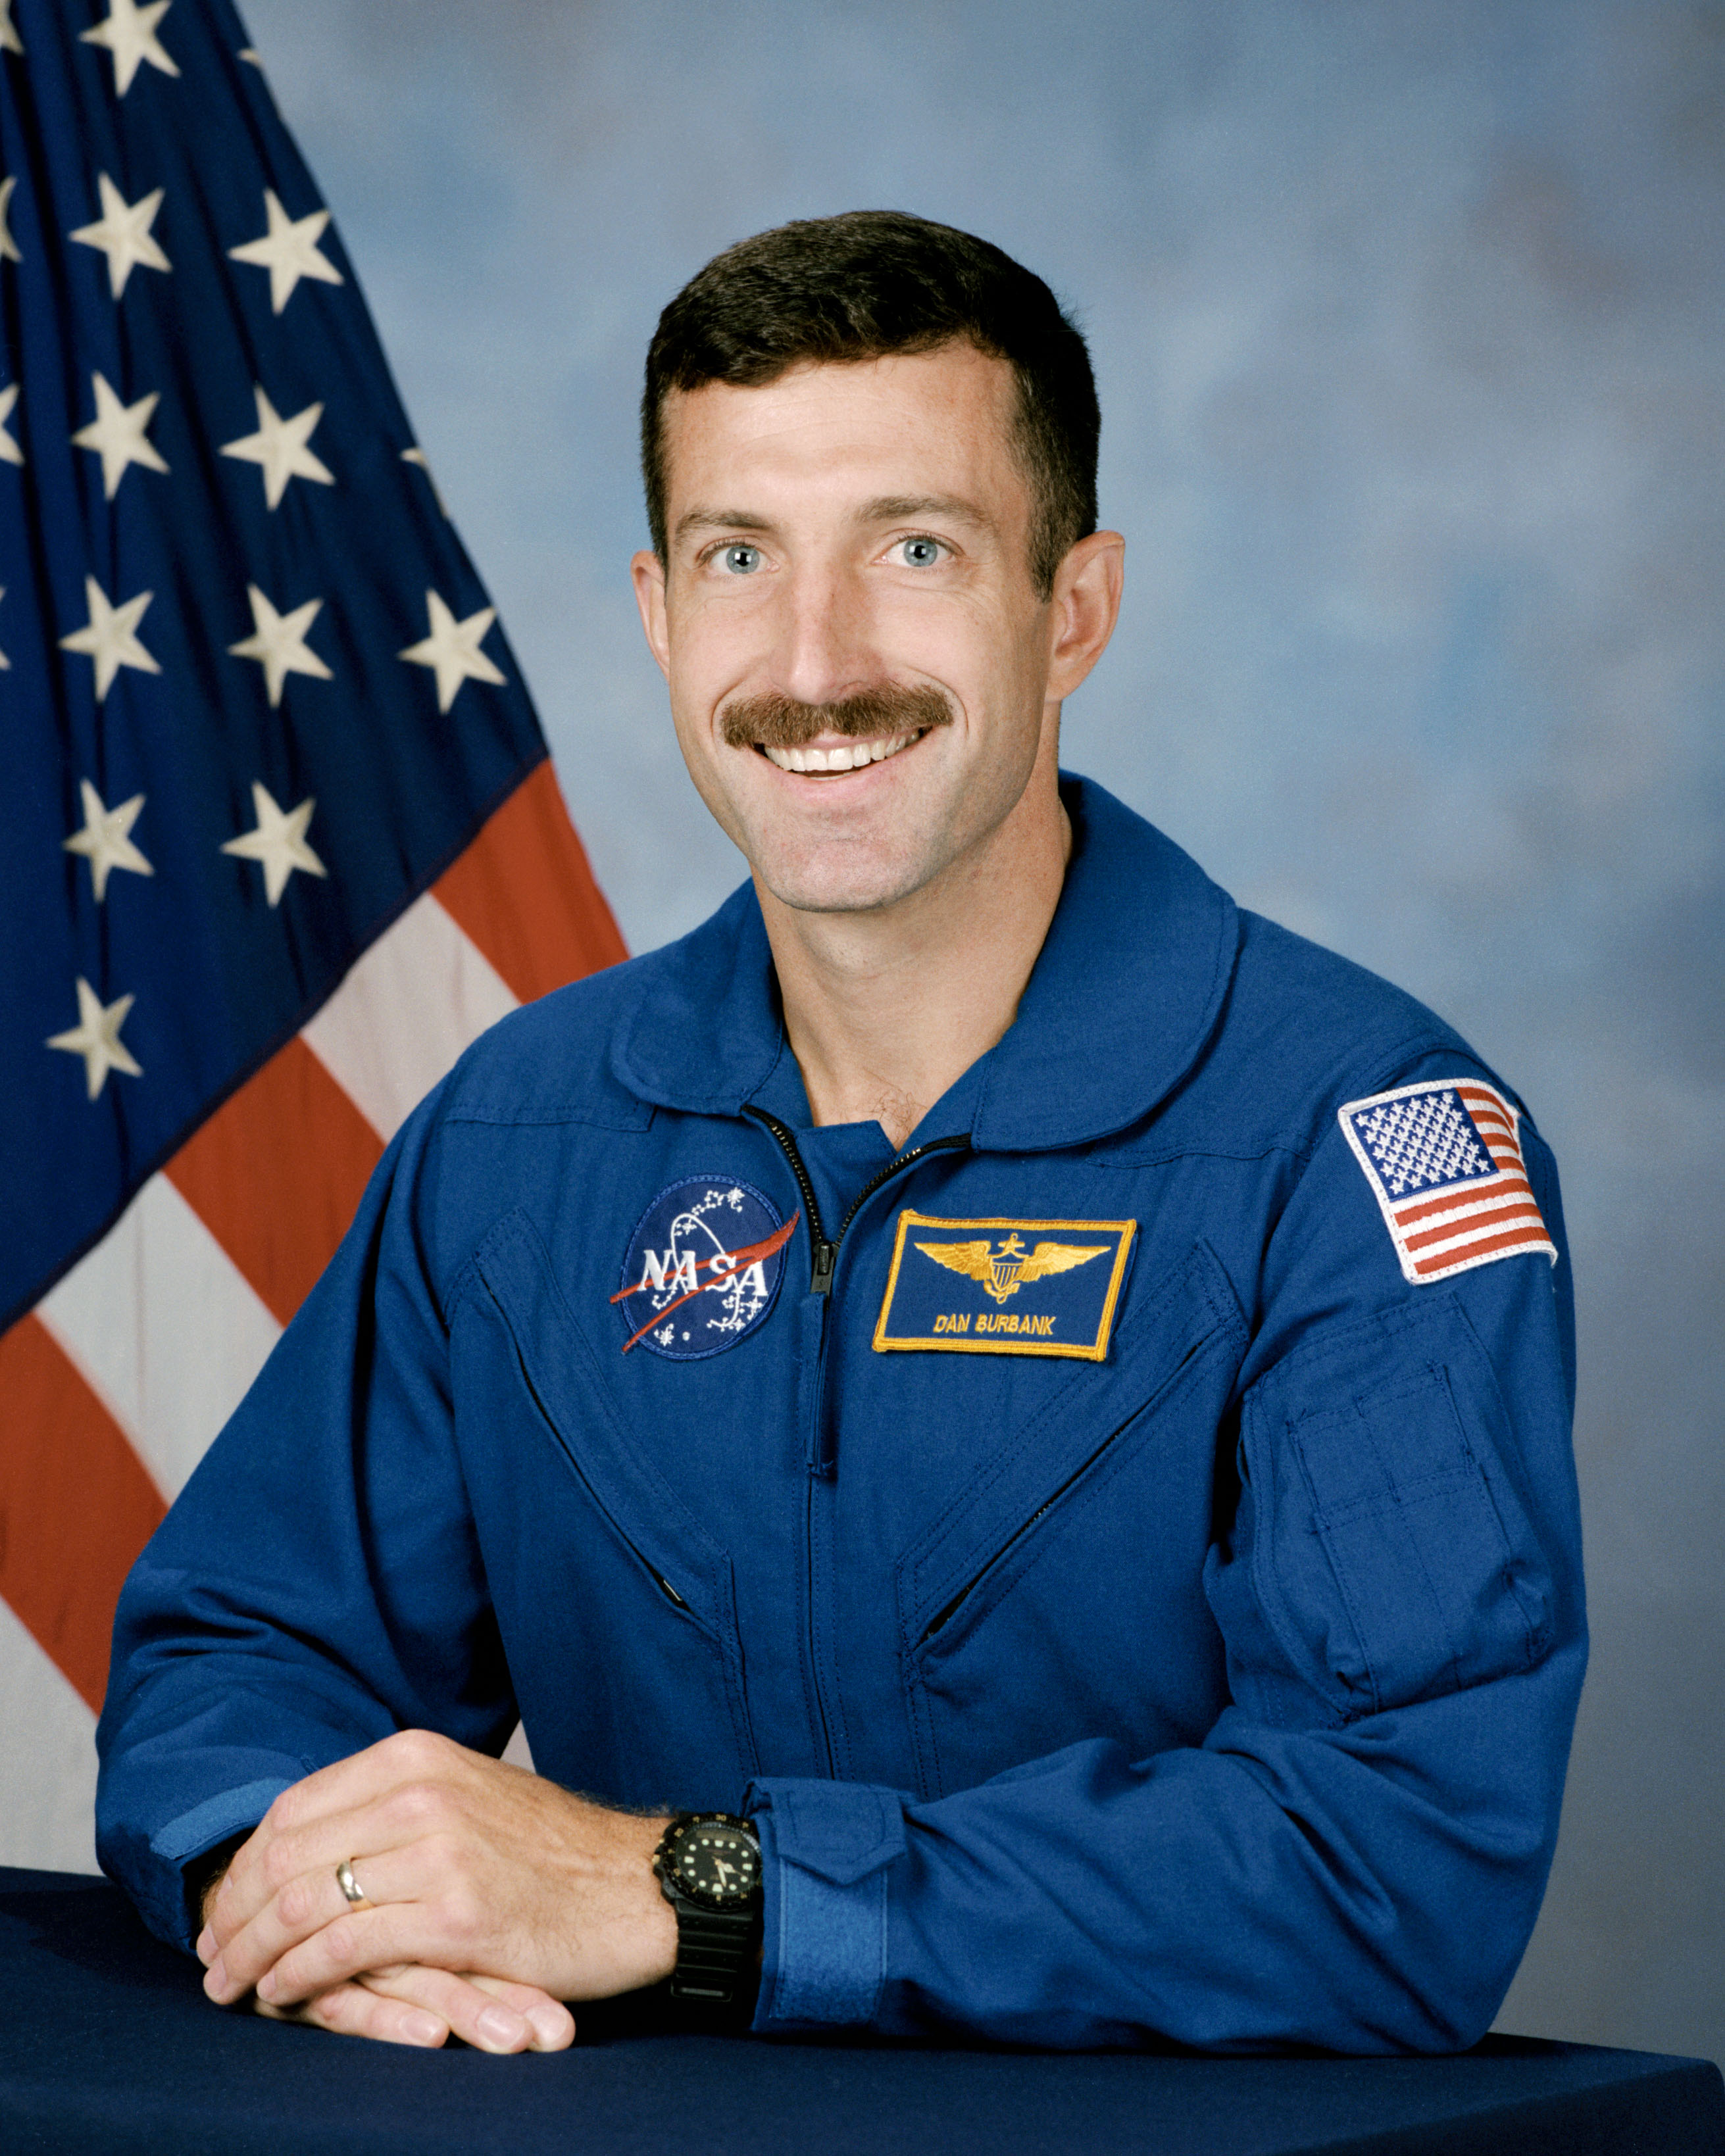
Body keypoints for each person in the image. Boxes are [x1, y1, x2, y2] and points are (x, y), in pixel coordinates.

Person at [96, 211, 1586, 2057]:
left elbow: (1396, 1864)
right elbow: (239, 1656)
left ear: (1075, 608)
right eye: (740, 556)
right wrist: (328, 1890)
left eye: (915, 548)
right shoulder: (523, 1137)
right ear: (656, 613)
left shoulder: (1346, 1146)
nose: (814, 662)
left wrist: (691, 1894)